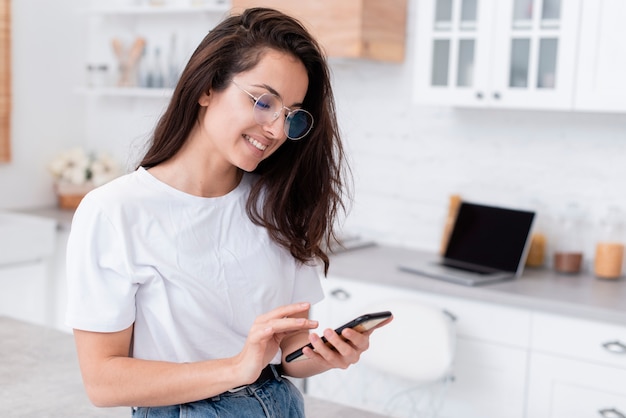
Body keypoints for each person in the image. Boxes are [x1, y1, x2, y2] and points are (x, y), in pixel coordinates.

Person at [65, 7, 391, 418]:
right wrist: (237, 368)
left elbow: (288, 355)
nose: (276, 129)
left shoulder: (279, 204)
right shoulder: (115, 211)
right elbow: (103, 380)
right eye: (264, 101)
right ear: (207, 87)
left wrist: (329, 355)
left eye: (290, 115)